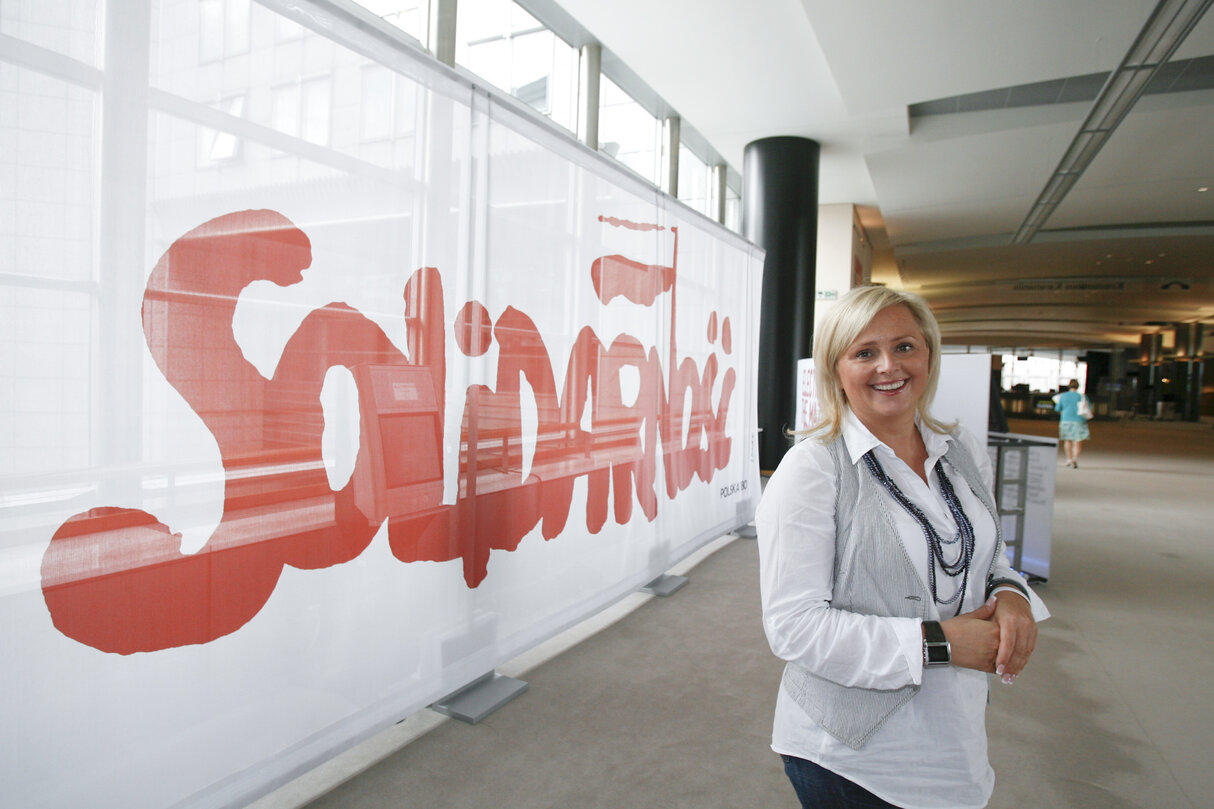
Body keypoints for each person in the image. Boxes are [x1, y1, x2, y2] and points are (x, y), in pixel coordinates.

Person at [755, 286, 1049, 809]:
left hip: (956, 744)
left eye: (905, 347)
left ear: (929, 355)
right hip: (853, 758)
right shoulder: (814, 469)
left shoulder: (960, 450)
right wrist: (940, 643)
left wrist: (1013, 596)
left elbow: (992, 560)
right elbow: (793, 627)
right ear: (835, 369)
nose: (888, 366)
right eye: (864, 352)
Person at [1053, 379, 1090, 468]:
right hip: (1079, 421)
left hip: (1065, 420)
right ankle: (1075, 459)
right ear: (1078, 386)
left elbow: (1057, 408)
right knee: (1077, 442)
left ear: (1069, 386)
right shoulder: (1082, 396)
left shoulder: (1063, 396)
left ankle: (1069, 459)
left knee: (1068, 440)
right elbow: (1089, 408)